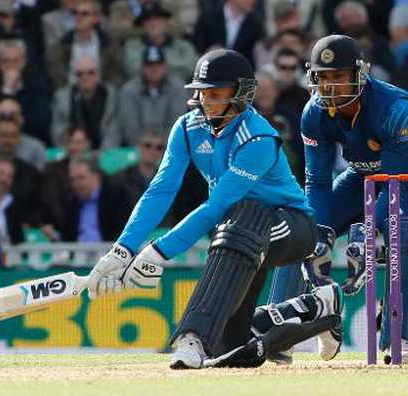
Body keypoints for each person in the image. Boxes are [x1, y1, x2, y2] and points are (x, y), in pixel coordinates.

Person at [85, 49, 344, 369]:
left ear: (241, 94)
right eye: (202, 93)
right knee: (232, 345)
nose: (207, 101)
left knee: (239, 223)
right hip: (239, 232)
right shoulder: (187, 128)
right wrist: (122, 251)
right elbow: (161, 190)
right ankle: (316, 305)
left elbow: (217, 204)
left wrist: (157, 252)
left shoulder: (259, 136)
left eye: (217, 93)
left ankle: (191, 338)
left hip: (292, 225)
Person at [271, 35, 408, 364]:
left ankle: (401, 337)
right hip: (365, 172)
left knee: (399, 225)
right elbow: (316, 181)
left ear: (359, 74)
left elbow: (394, 185)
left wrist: (367, 233)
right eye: (324, 77)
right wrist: (321, 234)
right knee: (301, 228)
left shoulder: (394, 109)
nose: (331, 87)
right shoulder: (314, 112)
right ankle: (281, 334)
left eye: (339, 76)